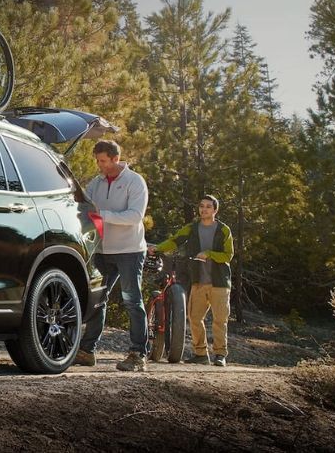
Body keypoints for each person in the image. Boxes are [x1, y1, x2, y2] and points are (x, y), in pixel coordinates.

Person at [80, 140, 150, 371]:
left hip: (129, 251)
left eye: (103, 161)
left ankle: (138, 355)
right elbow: (85, 206)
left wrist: (102, 214)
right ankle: (86, 351)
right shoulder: (96, 183)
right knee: (97, 300)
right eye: (97, 161)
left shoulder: (135, 181)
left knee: (132, 301)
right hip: (101, 250)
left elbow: (135, 216)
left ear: (115, 158)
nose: (99, 165)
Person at [151, 195, 235, 367]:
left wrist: (209, 254)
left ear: (215, 210)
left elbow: (228, 255)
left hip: (219, 283)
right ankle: (200, 354)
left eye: (208, 207)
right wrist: (157, 248)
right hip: (198, 282)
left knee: (220, 320)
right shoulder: (192, 228)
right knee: (194, 318)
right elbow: (175, 241)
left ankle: (220, 355)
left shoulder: (223, 230)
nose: (204, 209)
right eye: (202, 206)